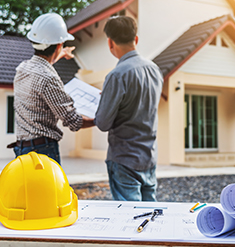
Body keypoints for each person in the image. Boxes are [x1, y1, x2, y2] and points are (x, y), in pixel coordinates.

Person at [9, 13, 95, 164]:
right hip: (43, 152)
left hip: (22, 151)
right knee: (48, 189)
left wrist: (62, 53)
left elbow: (42, 66)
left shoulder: (22, 68)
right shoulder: (49, 79)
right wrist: (101, 119)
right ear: (59, 44)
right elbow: (73, 122)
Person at [94, 16, 163, 201]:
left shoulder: (116, 75)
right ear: (136, 39)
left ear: (110, 42)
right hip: (149, 156)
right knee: (150, 215)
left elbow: (102, 123)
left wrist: (106, 102)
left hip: (124, 159)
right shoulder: (155, 70)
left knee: (129, 219)